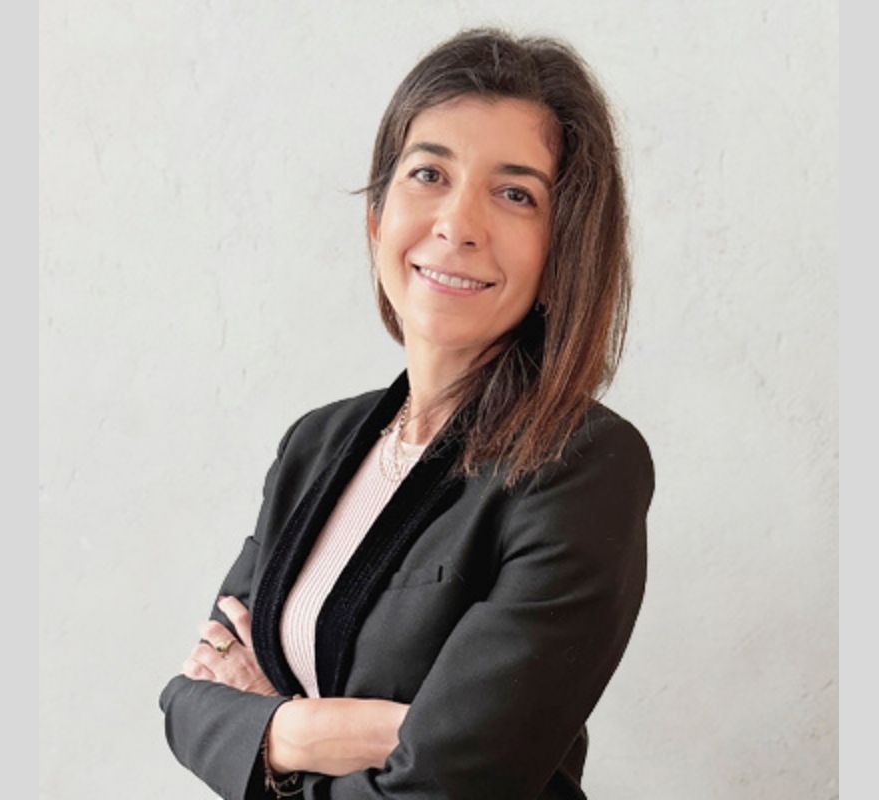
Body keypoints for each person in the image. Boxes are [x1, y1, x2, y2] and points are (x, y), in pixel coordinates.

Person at [159, 27, 655, 800]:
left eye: (515, 194)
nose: (457, 224)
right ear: (377, 217)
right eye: (429, 174)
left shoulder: (582, 464)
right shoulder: (315, 444)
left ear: (564, 251)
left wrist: (271, 737)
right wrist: (328, 731)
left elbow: (455, 784)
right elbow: (190, 700)